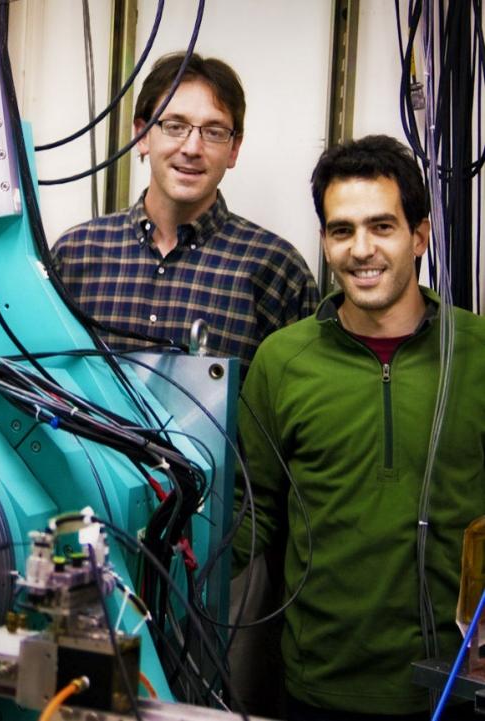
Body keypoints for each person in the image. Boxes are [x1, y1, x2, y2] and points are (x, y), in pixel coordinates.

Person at [233, 134, 485, 719]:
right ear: (324, 241)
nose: (361, 249)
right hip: (316, 689)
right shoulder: (282, 360)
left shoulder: (475, 351)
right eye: (342, 230)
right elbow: (253, 519)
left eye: (382, 226)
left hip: (454, 688)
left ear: (419, 235)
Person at [52, 52, 319, 380]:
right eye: (175, 126)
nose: (192, 148)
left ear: (234, 149)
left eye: (214, 131)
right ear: (142, 135)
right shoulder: (75, 254)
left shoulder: (278, 272)